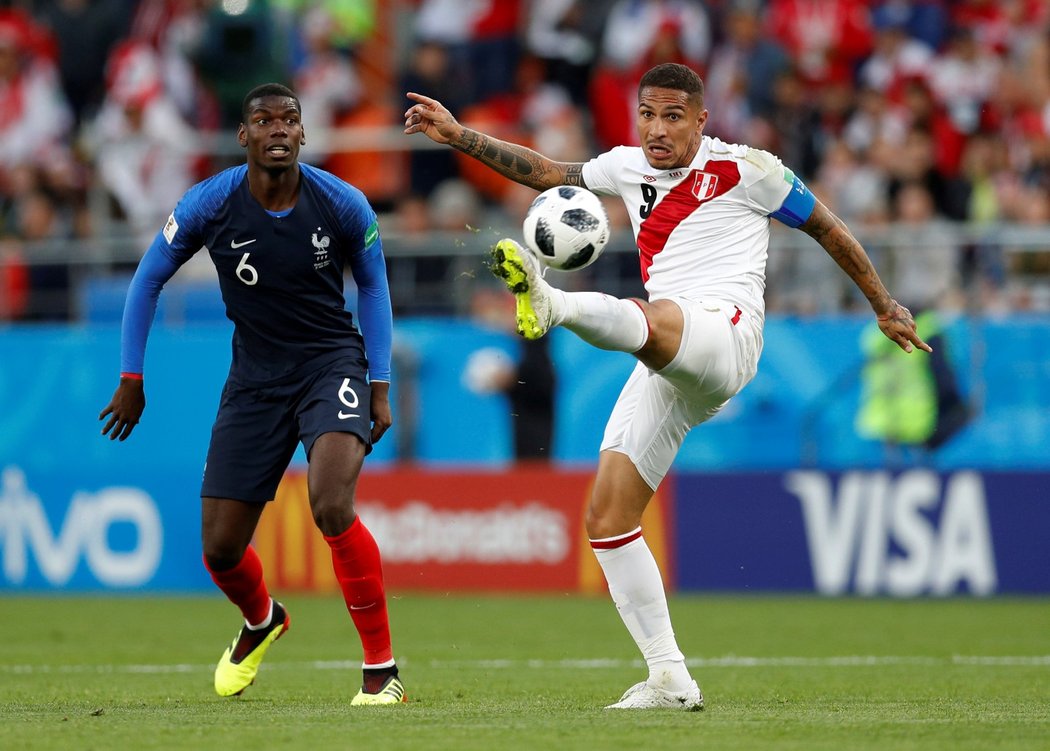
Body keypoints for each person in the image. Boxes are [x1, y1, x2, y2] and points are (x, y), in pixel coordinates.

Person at [404, 62, 930, 711]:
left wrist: (883, 303)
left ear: (701, 121)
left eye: (673, 116)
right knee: (607, 516)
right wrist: (460, 136)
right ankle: (669, 677)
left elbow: (827, 225)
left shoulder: (750, 169)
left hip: (726, 336)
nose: (657, 128)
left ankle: (551, 305)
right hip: (667, 355)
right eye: (647, 113)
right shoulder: (628, 167)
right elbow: (548, 172)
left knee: (654, 319)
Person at [100, 83, 405, 706]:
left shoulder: (343, 204)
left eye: (289, 120)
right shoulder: (208, 203)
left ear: (302, 134)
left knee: (330, 504)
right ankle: (263, 619)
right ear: (244, 136)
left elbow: (372, 289)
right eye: (263, 120)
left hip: (331, 365)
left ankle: (382, 669)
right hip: (255, 380)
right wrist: (132, 375)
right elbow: (147, 279)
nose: (278, 129)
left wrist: (379, 383)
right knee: (219, 547)